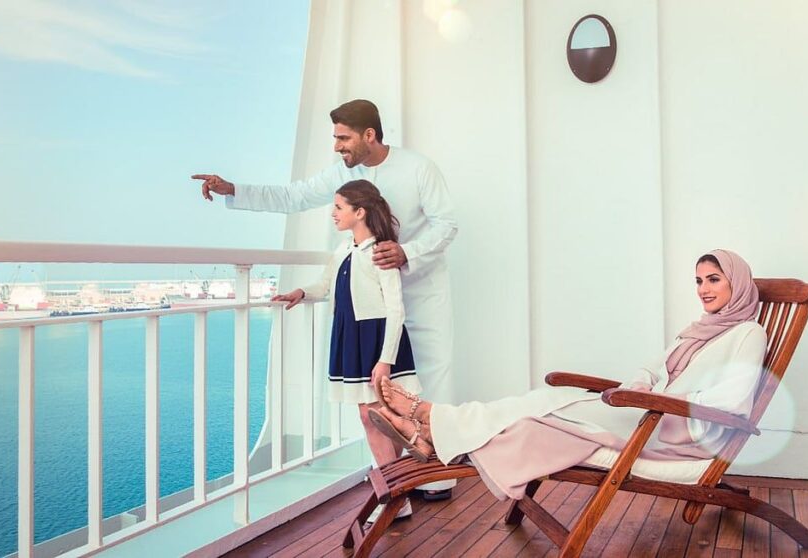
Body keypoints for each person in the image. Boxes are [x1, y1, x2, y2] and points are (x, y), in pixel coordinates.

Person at [192, 99, 459, 500]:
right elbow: (294, 197)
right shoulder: (343, 174)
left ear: (369, 135)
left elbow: (447, 224)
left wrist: (408, 252)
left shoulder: (418, 167)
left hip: (421, 293)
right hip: (369, 309)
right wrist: (234, 190)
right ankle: (397, 482)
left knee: (426, 389)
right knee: (378, 402)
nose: (337, 146)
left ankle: (437, 480)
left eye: (343, 138)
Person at [369, 249, 767, 500]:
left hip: (671, 433)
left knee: (534, 420)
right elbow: (653, 366)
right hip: (647, 413)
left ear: (736, 283)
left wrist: (660, 402)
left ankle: (430, 420)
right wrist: (642, 386)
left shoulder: (748, 333)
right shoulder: (699, 328)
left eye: (714, 279)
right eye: (698, 280)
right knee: (540, 402)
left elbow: (733, 402)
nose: (703, 289)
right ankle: (433, 428)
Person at [272, 180, 419, 519]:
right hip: (351, 336)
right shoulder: (343, 249)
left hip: (377, 339)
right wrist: (301, 292)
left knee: (375, 416)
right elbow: (325, 285)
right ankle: (398, 493)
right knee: (377, 417)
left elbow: (396, 309)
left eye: (339, 207)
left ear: (360, 212)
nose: (333, 213)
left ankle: (394, 495)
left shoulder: (379, 251)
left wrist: (385, 359)